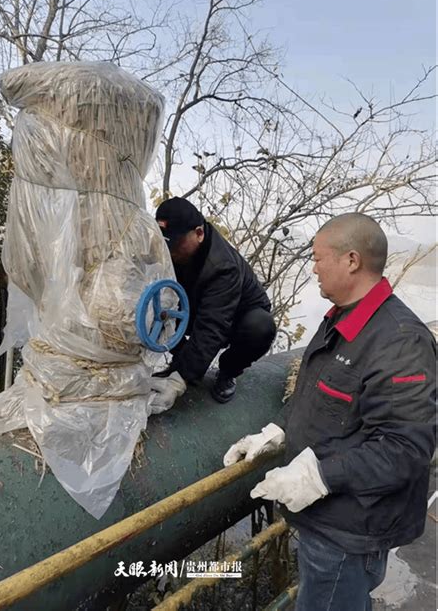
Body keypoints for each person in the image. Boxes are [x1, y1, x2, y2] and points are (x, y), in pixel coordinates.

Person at [224, 213, 436, 611]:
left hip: (350, 531)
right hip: (325, 522)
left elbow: (406, 448)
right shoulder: (341, 318)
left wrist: (318, 475)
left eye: (319, 258)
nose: (314, 267)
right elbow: (320, 397)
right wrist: (277, 431)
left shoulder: (399, 342)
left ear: (351, 260)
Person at [149, 196, 276, 409]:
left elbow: (212, 325)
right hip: (195, 306)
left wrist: (179, 383)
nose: (169, 251)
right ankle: (180, 365)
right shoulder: (173, 252)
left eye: (177, 243)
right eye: (165, 242)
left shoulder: (223, 267)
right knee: (156, 311)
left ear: (199, 233)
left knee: (260, 327)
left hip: (237, 318)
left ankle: (227, 371)